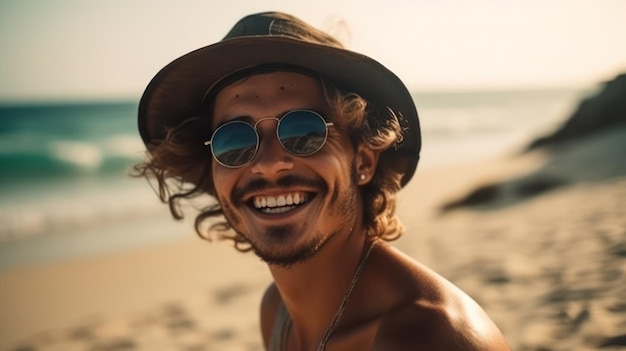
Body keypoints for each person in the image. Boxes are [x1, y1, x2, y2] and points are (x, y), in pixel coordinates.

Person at [135, 11, 511, 351]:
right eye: (234, 140)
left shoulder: (428, 336)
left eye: (303, 131)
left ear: (363, 160)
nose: (269, 164)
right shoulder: (278, 312)